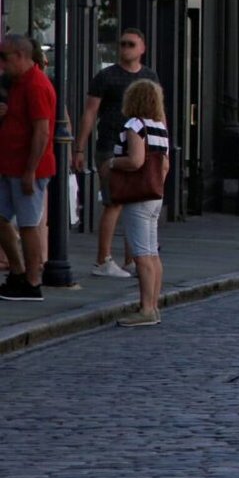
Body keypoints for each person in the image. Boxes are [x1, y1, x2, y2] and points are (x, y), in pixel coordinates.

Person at [73, 27, 159, 279]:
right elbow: (90, 112)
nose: (125, 48)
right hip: (111, 144)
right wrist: (79, 147)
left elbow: (156, 112)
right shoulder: (106, 76)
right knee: (114, 202)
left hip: (141, 146)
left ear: (142, 48)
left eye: (131, 44)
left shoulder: (149, 76)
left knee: (136, 201)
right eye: (122, 44)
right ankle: (103, 260)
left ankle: (132, 259)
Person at [107, 80, 171, 327]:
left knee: (141, 254)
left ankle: (145, 309)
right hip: (155, 195)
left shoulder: (136, 125)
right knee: (152, 253)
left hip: (138, 195)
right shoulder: (159, 127)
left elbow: (135, 161)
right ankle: (153, 305)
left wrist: (113, 163)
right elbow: (164, 164)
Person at [0, 35, 55, 302]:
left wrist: (30, 170)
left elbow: (42, 131)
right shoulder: (18, 84)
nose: (2, 64)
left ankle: (32, 281)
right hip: (10, 166)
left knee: (29, 225)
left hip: (27, 169)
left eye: (5, 58)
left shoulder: (35, 84)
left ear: (21, 56)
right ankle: (19, 272)